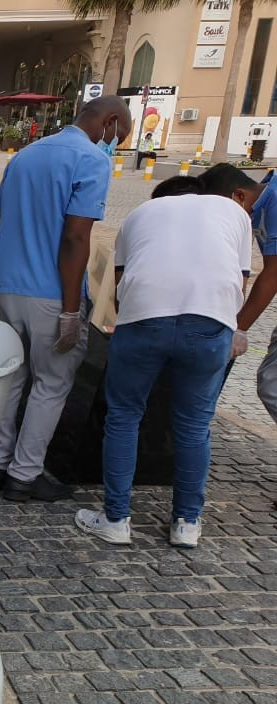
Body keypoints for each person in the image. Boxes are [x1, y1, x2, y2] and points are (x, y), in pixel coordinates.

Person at [75, 164, 262, 548]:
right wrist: (233, 329)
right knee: (194, 426)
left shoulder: (139, 215)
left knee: (124, 417)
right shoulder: (233, 213)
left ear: (160, 198)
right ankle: (186, 524)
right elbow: (238, 282)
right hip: (209, 322)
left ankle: (115, 520)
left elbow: (121, 287)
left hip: (144, 320)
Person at [0, 94, 132, 502]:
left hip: (9, 288)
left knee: (12, 379)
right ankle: (24, 475)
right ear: (111, 121)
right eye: (120, 135)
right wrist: (71, 309)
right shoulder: (91, 159)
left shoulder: (26, 156)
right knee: (51, 384)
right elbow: (75, 237)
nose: (115, 144)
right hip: (51, 293)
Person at [237, 168, 277, 428]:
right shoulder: (262, 197)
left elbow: (273, 273)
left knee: (273, 385)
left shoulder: (273, 200)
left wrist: (238, 328)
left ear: (238, 195)